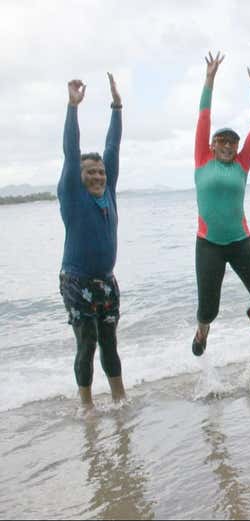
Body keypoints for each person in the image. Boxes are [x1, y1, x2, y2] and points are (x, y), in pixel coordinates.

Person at [191, 51, 250, 356]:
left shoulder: (242, 163)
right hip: (208, 243)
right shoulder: (202, 159)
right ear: (212, 145)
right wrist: (209, 79)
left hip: (240, 241)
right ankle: (203, 330)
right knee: (208, 310)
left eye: (232, 142)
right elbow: (203, 117)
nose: (227, 145)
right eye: (221, 141)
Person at [58, 73, 126, 410]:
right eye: (91, 173)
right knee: (86, 344)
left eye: (100, 172)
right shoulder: (72, 195)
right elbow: (71, 154)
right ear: (79, 177)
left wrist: (116, 106)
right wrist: (73, 107)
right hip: (76, 280)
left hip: (106, 281)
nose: (98, 176)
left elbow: (113, 147)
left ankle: (120, 399)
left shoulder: (109, 192)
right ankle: (86, 407)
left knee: (110, 343)